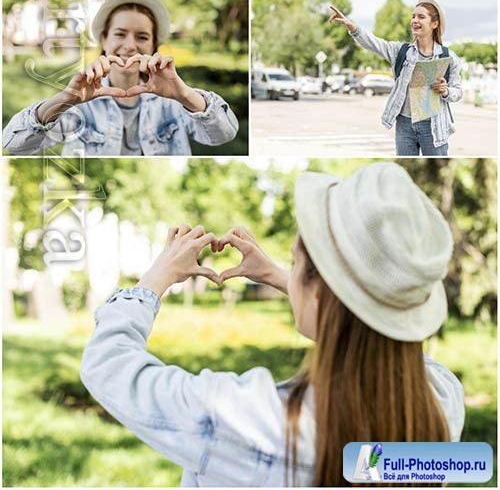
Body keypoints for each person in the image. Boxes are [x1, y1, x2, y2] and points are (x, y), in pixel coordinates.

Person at [80, 159, 465, 485]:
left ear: (319, 293)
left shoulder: (251, 422)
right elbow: (379, 337)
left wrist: (155, 278)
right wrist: (284, 277)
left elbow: (109, 366)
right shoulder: (441, 402)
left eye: (296, 262)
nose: (290, 269)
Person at [2, 0, 238, 157]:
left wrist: (185, 95)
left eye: (142, 37)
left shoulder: (173, 103)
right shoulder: (81, 104)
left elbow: (224, 134)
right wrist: (66, 99)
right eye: (120, 34)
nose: (130, 45)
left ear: (154, 45)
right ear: (104, 39)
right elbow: (13, 145)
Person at [329, 0, 462, 156]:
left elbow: (458, 91)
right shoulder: (401, 51)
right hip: (405, 124)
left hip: (433, 126)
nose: (414, 20)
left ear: (435, 23)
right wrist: (352, 26)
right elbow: (374, 43)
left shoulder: (448, 57)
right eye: (413, 16)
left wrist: (446, 91)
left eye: (421, 17)